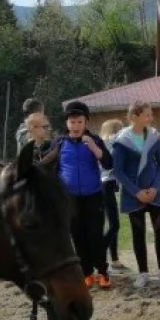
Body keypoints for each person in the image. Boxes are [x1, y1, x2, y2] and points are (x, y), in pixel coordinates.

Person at [49, 101, 114, 288]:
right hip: (70, 199)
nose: (75, 126)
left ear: (86, 122)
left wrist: (94, 148)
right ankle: (86, 273)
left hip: (93, 196)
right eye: (72, 122)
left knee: (95, 235)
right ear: (66, 124)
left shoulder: (94, 140)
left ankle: (102, 272)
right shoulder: (59, 142)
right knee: (77, 236)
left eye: (79, 122)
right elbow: (50, 167)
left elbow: (109, 163)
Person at [111, 102, 160, 288]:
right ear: (134, 117)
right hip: (133, 194)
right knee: (138, 234)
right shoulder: (121, 140)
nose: (150, 118)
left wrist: (155, 188)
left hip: (155, 192)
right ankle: (143, 272)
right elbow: (118, 171)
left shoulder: (154, 136)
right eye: (147, 115)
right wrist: (136, 191)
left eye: (151, 114)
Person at [99, 118, 129, 274]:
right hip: (107, 184)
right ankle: (101, 258)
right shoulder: (113, 141)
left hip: (104, 185)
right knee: (114, 224)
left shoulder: (102, 143)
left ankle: (115, 260)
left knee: (111, 224)